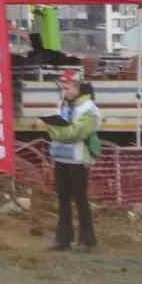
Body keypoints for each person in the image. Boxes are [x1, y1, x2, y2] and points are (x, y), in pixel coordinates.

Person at [43, 70, 101, 251]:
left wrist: (57, 131)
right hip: (61, 157)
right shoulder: (63, 105)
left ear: (77, 87)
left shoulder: (89, 108)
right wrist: (58, 131)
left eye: (67, 88)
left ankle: (87, 240)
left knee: (80, 198)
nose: (64, 91)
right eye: (63, 88)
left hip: (78, 159)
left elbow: (75, 133)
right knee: (63, 198)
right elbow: (56, 130)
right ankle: (63, 239)